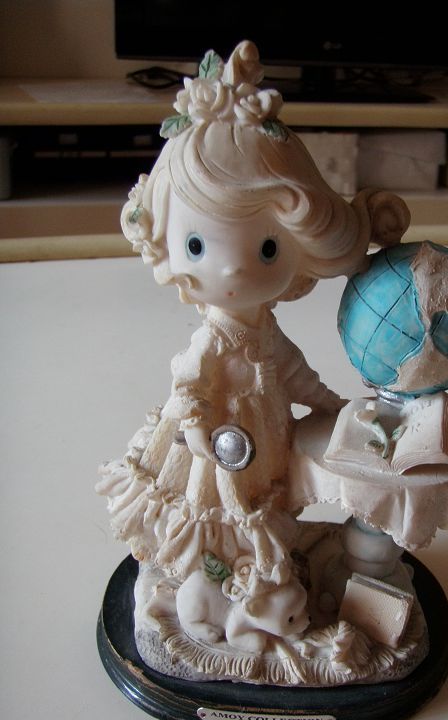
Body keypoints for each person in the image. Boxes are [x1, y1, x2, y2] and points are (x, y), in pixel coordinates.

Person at [97, 40, 409, 608]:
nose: (232, 269)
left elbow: (293, 372)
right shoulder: (213, 338)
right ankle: (212, 585)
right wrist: (198, 432)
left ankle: (250, 575)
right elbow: (190, 385)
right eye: (197, 245)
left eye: (267, 248)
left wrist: (328, 403)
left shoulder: (265, 333)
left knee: (264, 498)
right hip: (214, 449)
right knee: (215, 513)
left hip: (262, 436)